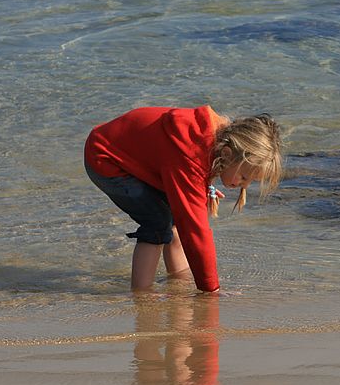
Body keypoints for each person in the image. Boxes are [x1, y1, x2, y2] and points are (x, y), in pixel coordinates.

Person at [84, 104, 283, 292]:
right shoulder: (191, 154)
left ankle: (179, 281)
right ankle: (142, 295)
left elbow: (183, 165)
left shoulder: (217, 134)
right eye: (244, 177)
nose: (245, 185)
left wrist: (206, 187)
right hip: (105, 158)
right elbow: (196, 233)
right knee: (158, 222)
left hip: (134, 158)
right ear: (227, 153)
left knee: (176, 219)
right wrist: (211, 289)